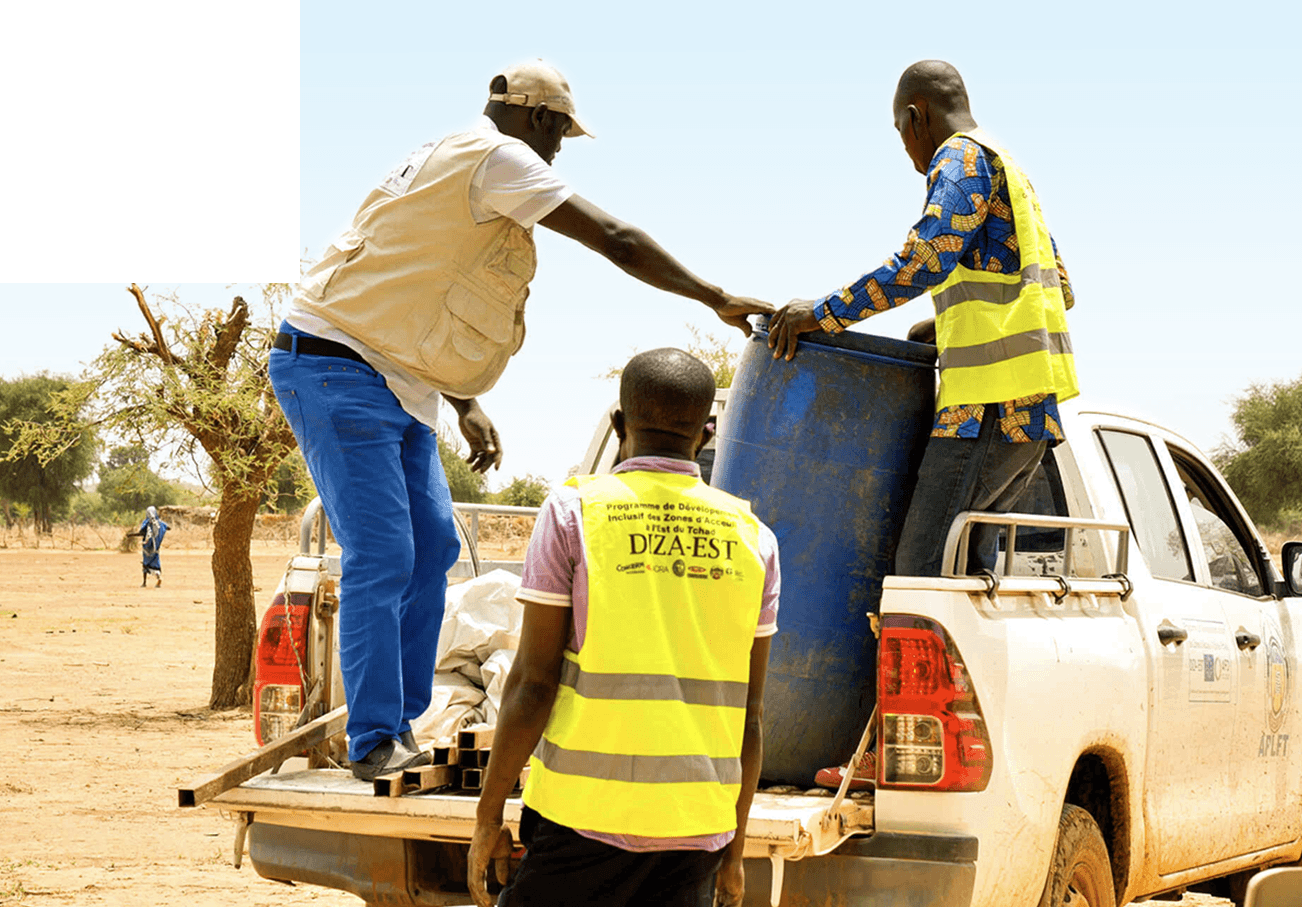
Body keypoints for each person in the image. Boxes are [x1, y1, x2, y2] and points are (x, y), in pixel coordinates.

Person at [271, 60, 772, 780]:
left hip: (390, 375)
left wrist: (464, 401)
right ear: (540, 119)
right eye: (562, 134)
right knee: (383, 554)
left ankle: (402, 723)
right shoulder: (498, 156)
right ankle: (375, 737)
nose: (560, 150)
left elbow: (413, 280)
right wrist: (712, 296)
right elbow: (616, 238)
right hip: (334, 365)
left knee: (435, 546)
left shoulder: (451, 154)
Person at [765, 60, 1079, 788]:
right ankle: (950, 744)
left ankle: (891, 750)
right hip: (1029, 413)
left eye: (901, 135)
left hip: (983, 410)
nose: (908, 155)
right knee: (964, 585)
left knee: (916, 582)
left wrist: (824, 311)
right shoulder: (1013, 171)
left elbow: (930, 254)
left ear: (917, 117)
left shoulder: (958, 160)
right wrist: (944, 327)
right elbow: (1059, 285)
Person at [467, 349, 780, 907]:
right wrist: (733, 853)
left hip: (580, 820)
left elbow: (533, 684)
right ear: (706, 434)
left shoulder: (574, 512)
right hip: (697, 830)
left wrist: (488, 817)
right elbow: (750, 717)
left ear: (619, 423)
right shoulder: (754, 537)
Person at [129, 506, 168, 588]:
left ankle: (144, 582)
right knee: (156, 562)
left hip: (147, 547)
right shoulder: (160, 523)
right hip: (155, 548)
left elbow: (142, 532)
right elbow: (168, 527)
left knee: (145, 563)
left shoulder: (146, 523)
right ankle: (158, 578)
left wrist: (131, 535)